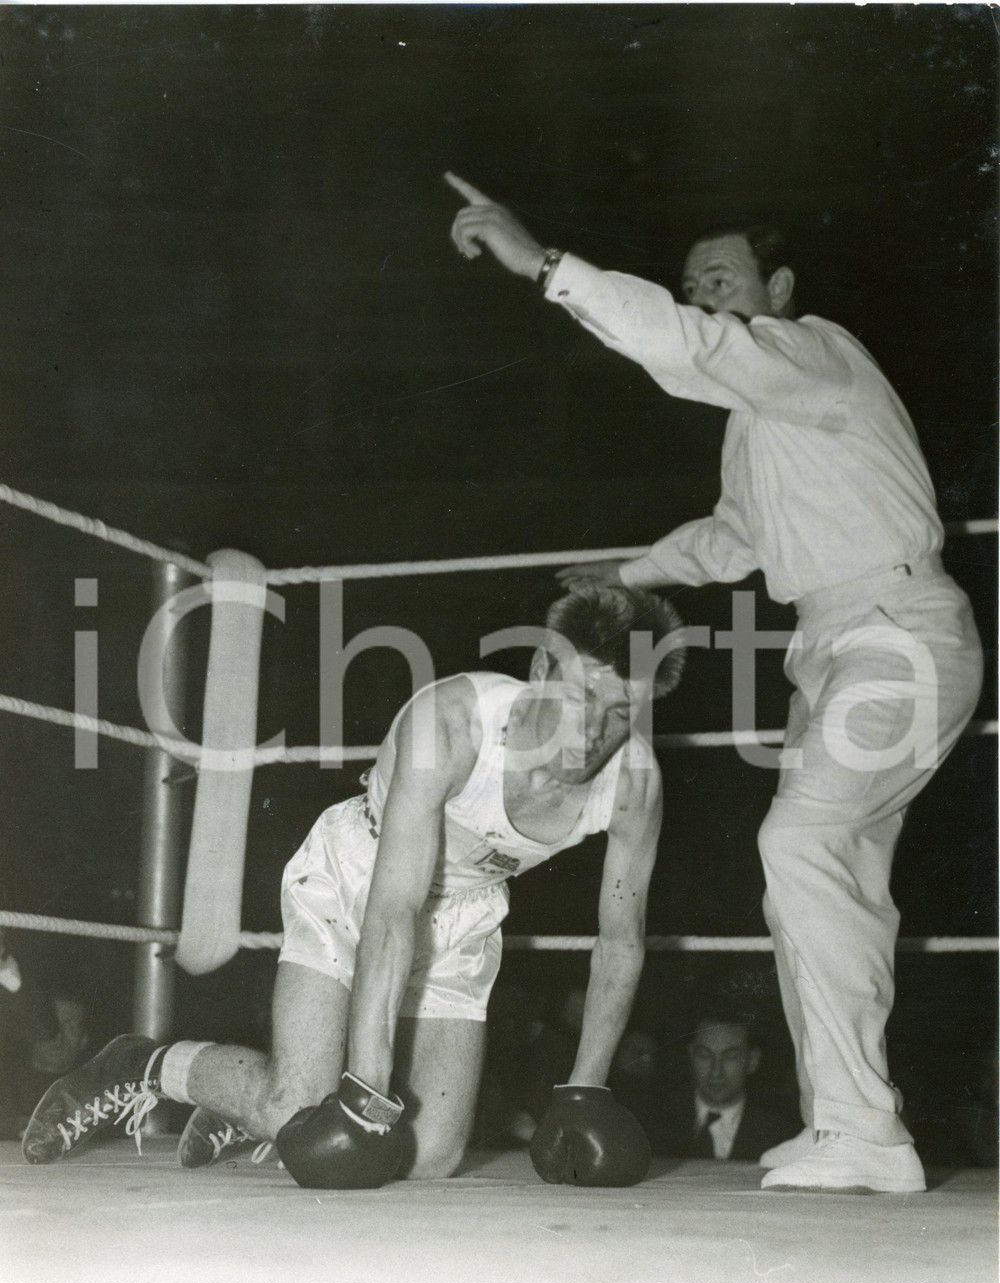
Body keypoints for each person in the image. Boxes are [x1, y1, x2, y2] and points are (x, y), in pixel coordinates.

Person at [446, 171, 984, 1193]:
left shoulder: (815, 353)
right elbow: (733, 539)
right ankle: (845, 1121)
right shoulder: (764, 422)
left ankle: (865, 1130)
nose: (703, 299)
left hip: (899, 635)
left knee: (802, 843)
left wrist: (541, 263)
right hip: (836, 643)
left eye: (723, 279)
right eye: (692, 285)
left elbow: (690, 348)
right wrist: (627, 573)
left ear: (779, 289)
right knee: (827, 882)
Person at [23, 584, 684, 1189]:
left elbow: (620, 941)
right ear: (541, 670)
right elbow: (392, 912)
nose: (593, 733)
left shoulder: (633, 784)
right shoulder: (451, 725)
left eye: (620, 711)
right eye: (581, 698)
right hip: (359, 881)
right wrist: (365, 1096)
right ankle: (141, 1064)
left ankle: (255, 1108)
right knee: (302, 1103)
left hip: (465, 916)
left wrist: (585, 1090)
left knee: (429, 1157)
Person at [614, 1003, 801, 1162]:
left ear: (752, 1060)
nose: (715, 1071)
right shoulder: (649, 1121)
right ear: (691, 1055)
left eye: (730, 1057)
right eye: (705, 1055)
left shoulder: (784, 1133)